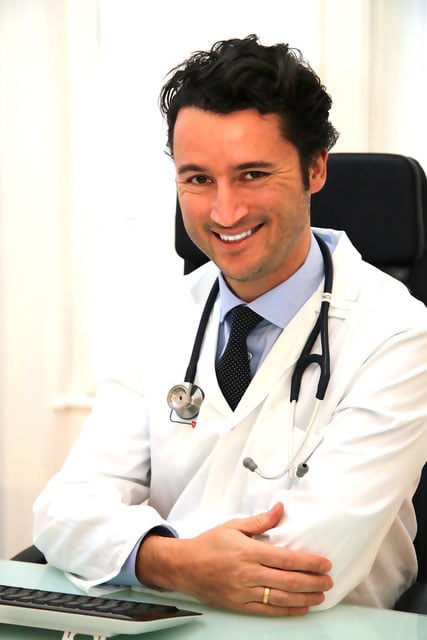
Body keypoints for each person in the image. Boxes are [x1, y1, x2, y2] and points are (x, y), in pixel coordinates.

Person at [33, 34, 427, 617]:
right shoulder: (159, 318)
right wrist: (181, 564)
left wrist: (138, 551)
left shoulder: (397, 333)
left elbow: (310, 565)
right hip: (164, 625)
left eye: (252, 174)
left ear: (315, 168)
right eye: (198, 179)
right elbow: (63, 512)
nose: (225, 211)